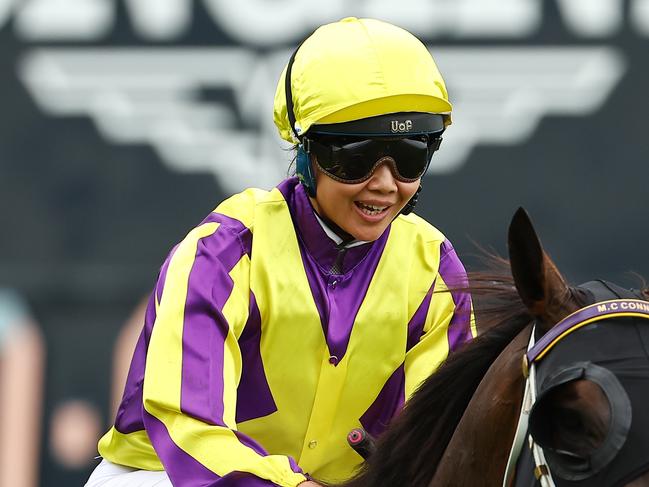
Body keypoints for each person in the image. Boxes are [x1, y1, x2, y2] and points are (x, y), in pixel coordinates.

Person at [86, 16, 475, 487]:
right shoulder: (223, 252)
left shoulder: (434, 269)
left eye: (411, 155)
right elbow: (188, 429)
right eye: (356, 157)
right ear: (304, 150)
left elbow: (441, 439)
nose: (386, 183)